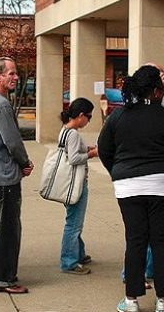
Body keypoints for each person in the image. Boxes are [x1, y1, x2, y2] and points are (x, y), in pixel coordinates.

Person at [98, 65, 164, 312]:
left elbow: (104, 149)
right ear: (154, 90)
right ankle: (163, 300)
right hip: (161, 185)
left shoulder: (117, 116)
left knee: (135, 240)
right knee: (161, 241)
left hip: (127, 185)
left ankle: (131, 300)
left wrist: (118, 172)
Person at [0, 57, 33, 294]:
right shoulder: (0, 104)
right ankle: (4, 278)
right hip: (5, 176)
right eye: (10, 73)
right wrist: (25, 162)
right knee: (8, 230)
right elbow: (12, 142)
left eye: (15, 73)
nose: (15, 77)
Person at [58, 98, 99, 276]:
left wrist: (87, 148)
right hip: (76, 183)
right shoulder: (73, 133)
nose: (88, 120)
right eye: (88, 116)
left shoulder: (65, 131)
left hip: (68, 183)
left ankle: (78, 253)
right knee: (74, 223)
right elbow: (74, 158)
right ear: (81, 115)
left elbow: (71, 151)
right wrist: (92, 153)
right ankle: (69, 261)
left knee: (74, 220)